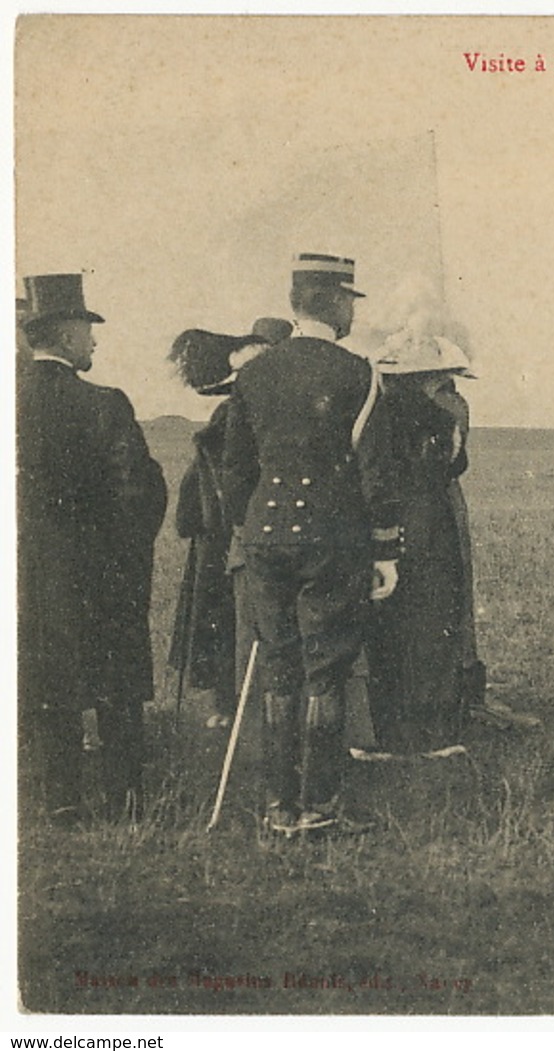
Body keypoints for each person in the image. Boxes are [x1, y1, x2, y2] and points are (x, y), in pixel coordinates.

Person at [221, 252, 402, 836]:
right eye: (351, 300)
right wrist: (386, 550)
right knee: (326, 670)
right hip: (334, 540)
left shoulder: (252, 375)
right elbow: (377, 473)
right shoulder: (359, 373)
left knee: (280, 667)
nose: (353, 311)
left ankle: (279, 809)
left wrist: (249, 528)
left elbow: (234, 472)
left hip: (265, 538)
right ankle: (320, 807)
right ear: (335, 303)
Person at [17, 272, 166, 825]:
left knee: (48, 686)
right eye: (87, 330)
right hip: (101, 573)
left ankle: (60, 802)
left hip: (30, 574)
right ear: (64, 334)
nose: (94, 342)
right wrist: (127, 555)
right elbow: (140, 489)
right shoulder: (104, 403)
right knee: (117, 688)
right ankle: (125, 802)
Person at [365, 329, 479, 757]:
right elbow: (455, 463)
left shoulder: (377, 412)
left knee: (387, 628)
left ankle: (388, 731)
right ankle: (431, 731)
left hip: (386, 527)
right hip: (430, 524)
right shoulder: (442, 416)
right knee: (434, 625)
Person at [166, 324, 281, 729]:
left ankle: (228, 703)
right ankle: (231, 703)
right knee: (229, 616)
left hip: (219, 525)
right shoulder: (236, 414)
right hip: (230, 527)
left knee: (224, 614)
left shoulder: (228, 411)